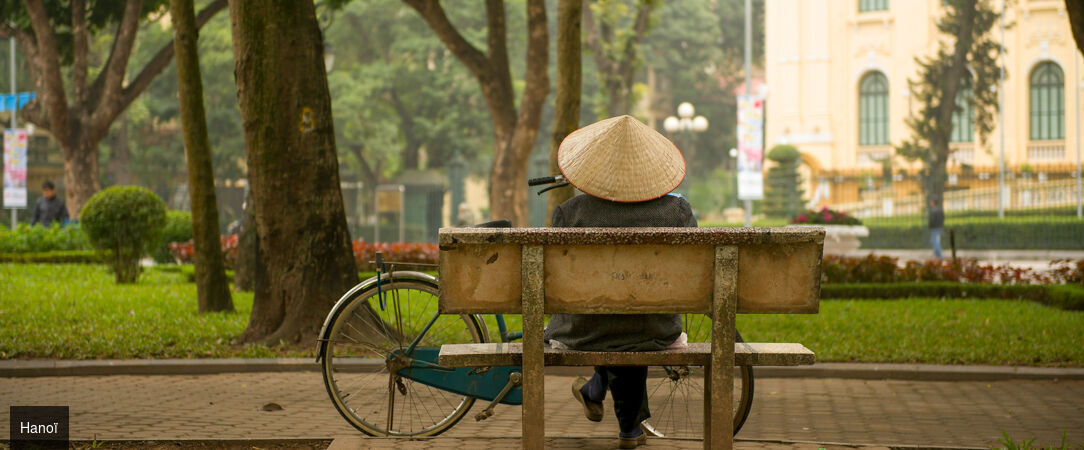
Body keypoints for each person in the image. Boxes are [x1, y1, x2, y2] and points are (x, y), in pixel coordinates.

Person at [543, 115, 694, 448]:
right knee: (631, 317)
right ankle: (623, 423)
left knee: (610, 315)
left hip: (584, 330)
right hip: (656, 328)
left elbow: (552, 279)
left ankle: (598, 393)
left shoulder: (570, 212)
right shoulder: (677, 213)